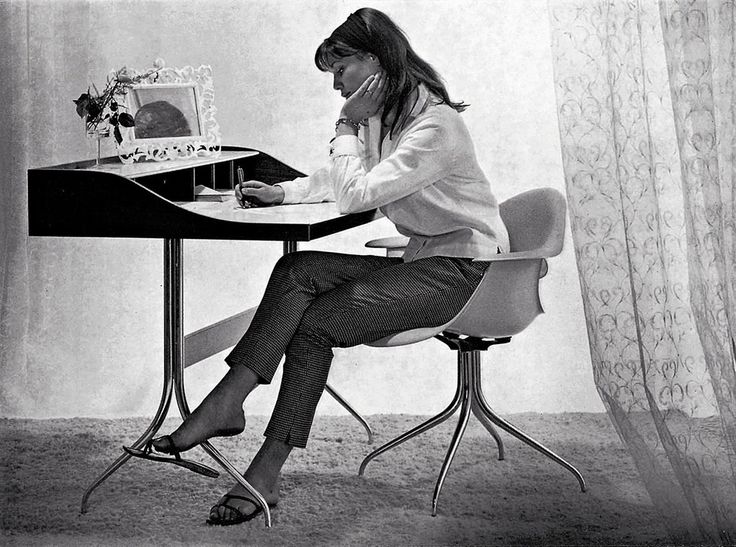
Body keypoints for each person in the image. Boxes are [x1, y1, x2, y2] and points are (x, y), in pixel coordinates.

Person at [126, 7, 509, 526]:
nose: (336, 86)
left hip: (463, 276)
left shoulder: (435, 126)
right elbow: (343, 178)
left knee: (314, 323)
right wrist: (283, 192)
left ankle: (261, 466)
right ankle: (227, 405)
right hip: (425, 262)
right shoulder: (393, 119)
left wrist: (347, 125)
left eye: (340, 71)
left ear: (374, 61)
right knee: (296, 271)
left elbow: (357, 196)